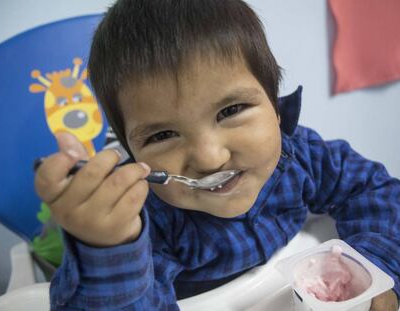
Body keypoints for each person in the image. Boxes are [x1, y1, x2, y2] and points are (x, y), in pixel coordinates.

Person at [34, 0, 400, 310]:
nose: (209, 158)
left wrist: (372, 268)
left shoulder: (301, 154)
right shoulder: (145, 220)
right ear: (133, 154)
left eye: (231, 111)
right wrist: (110, 247)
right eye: (163, 135)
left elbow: (376, 192)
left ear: (275, 108)